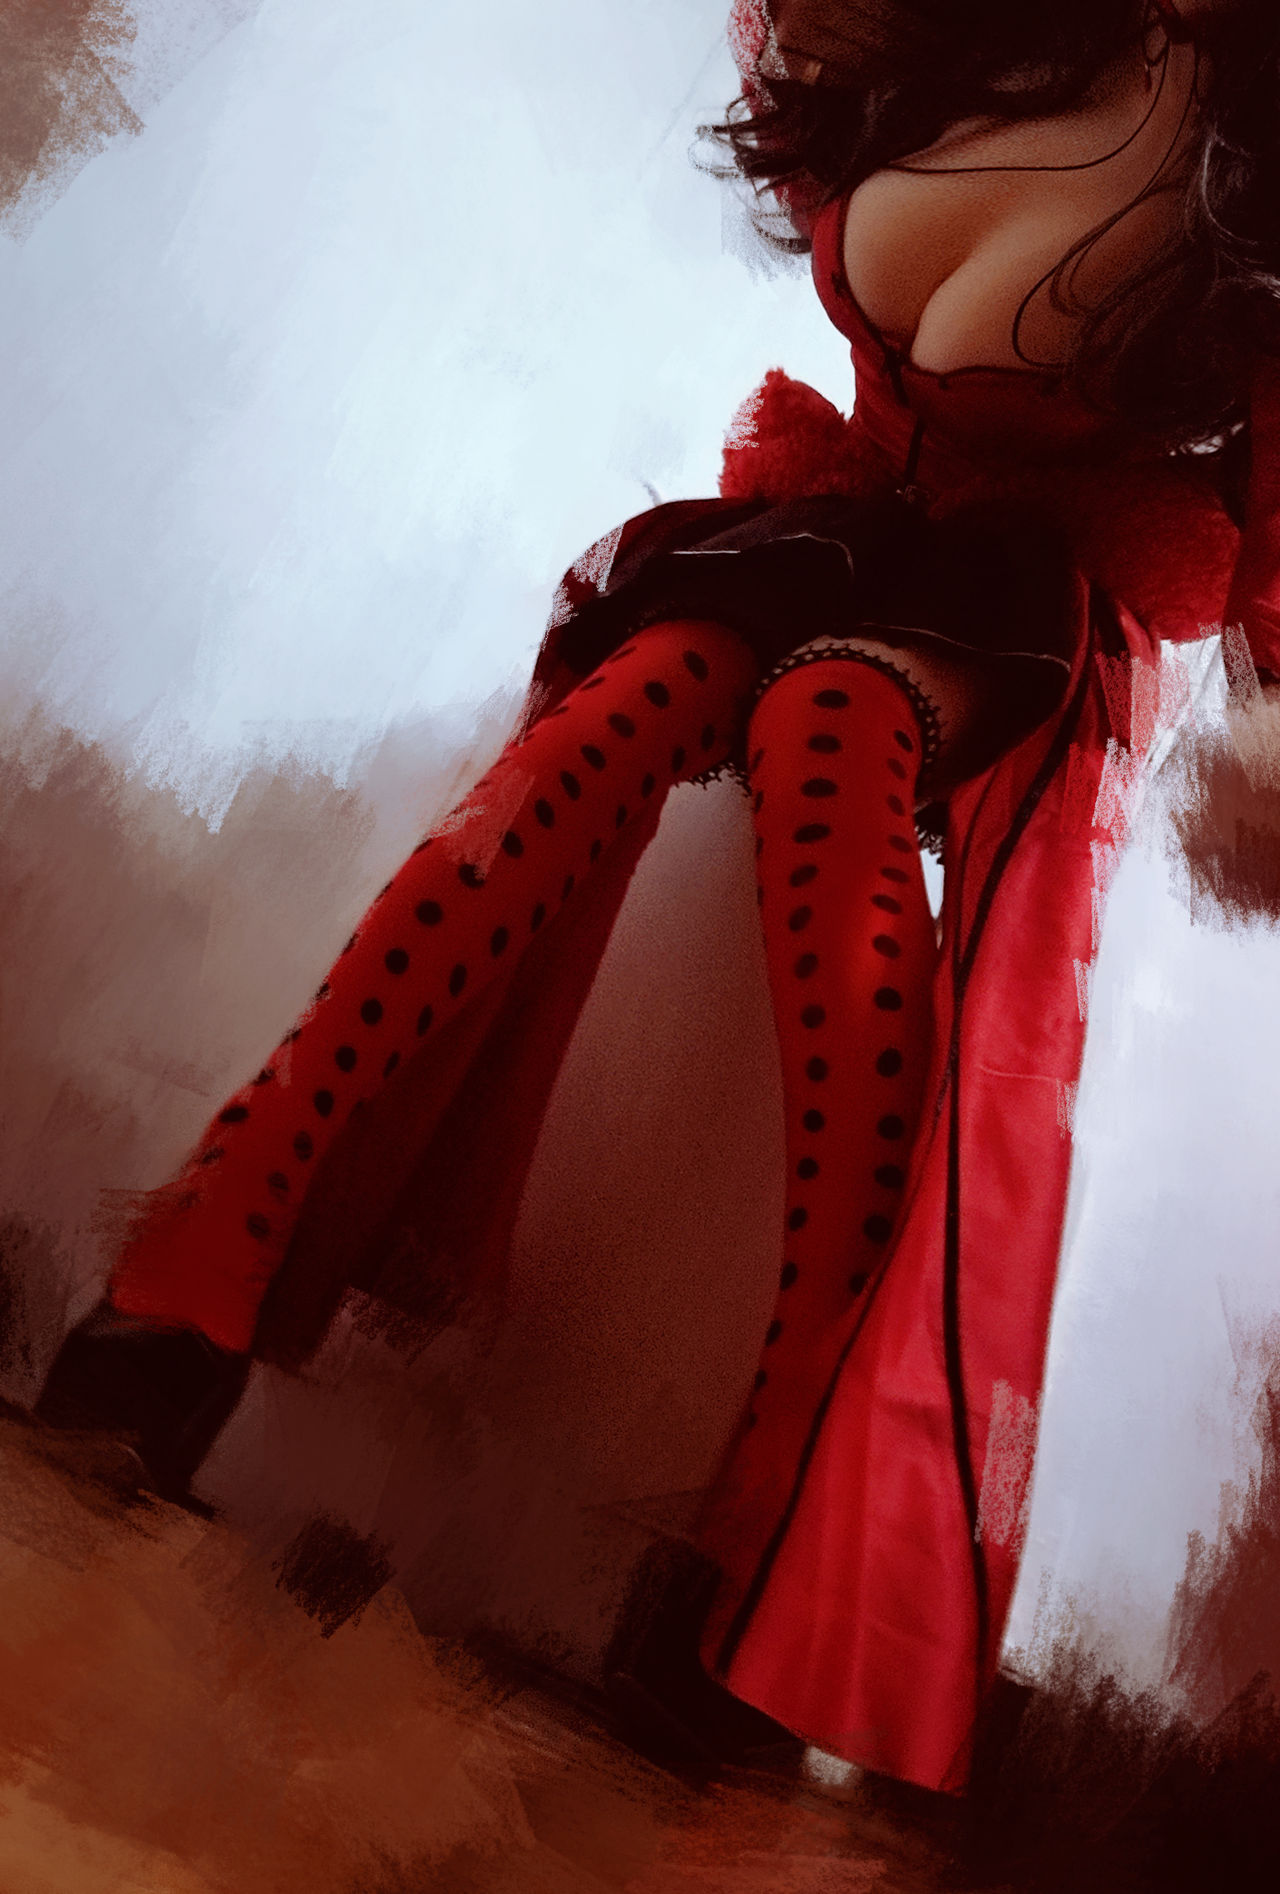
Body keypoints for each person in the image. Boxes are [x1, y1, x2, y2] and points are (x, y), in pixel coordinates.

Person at [33, 0, 1280, 1793]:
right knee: (607, 723)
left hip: (1029, 598)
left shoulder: (1240, 167)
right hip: (848, 523)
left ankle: (765, 1544)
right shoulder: (965, 38)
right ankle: (195, 1273)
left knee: (836, 732)